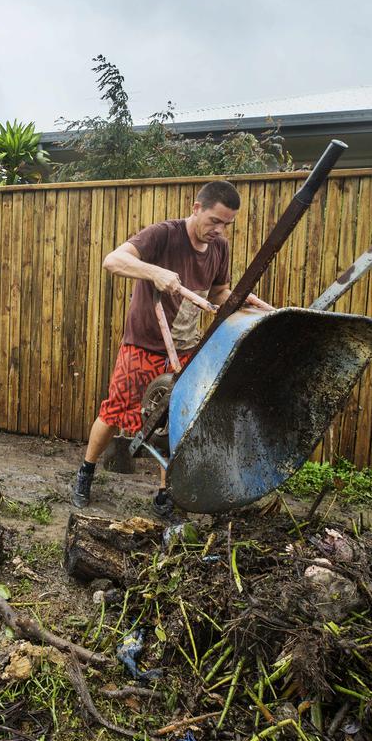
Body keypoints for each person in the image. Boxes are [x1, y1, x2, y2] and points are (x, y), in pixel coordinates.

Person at [72, 181, 243, 513]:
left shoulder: (219, 248)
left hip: (186, 350)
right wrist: (154, 272)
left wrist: (241, 304)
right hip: (145, 345)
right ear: (197, 208)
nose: (218, 230)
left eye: (226, 225)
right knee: (114, 413)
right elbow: (113, 260)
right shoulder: (164, 234)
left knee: (177, 422)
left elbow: (219, 292)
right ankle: (85, 473)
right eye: (214, 221)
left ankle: (166, 494)